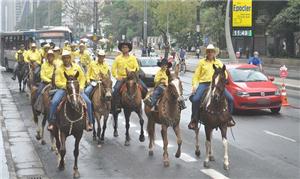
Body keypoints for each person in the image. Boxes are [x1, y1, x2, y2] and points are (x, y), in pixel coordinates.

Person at [188, 44, 235, 130]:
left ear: (214, 53)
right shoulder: (202, 62)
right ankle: (194, 120)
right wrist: (194, 86)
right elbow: (196, 76)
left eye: (212, 51)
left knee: (231, 99)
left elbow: (225, 74)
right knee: (195, 100)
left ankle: (228, 118)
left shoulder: (219, 62)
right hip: (204, 83)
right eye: (208, 51)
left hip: (217, 85)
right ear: (206, 53)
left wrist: (221, 80)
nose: (210, 53)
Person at [47, 50, 93, 131]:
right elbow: (57, 82)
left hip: (76, 90)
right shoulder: (59, 69)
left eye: (68, 58)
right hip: (63, 89)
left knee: (88, 102)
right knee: (54, 102)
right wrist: (67, 86)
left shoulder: (77, 67)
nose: (66, 59)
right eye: (64, 58)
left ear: (70, 58)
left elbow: (82, 78)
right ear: (62, 59)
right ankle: (51, 122)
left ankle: (89, 122)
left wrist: (81, 87)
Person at [112, 41, 148, 112]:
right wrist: (116, 76)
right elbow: (113, 69)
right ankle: (116, 106)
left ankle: (144, 102)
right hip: (122, 78)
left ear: (129, 49)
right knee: (115, 90)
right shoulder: (117, 58)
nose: (124, 49)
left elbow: (136, 67)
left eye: (126, 47)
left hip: (132, 77)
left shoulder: (133, 58)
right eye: (123, 47)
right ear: (121, 49)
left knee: (144, 88)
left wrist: (131, 71)